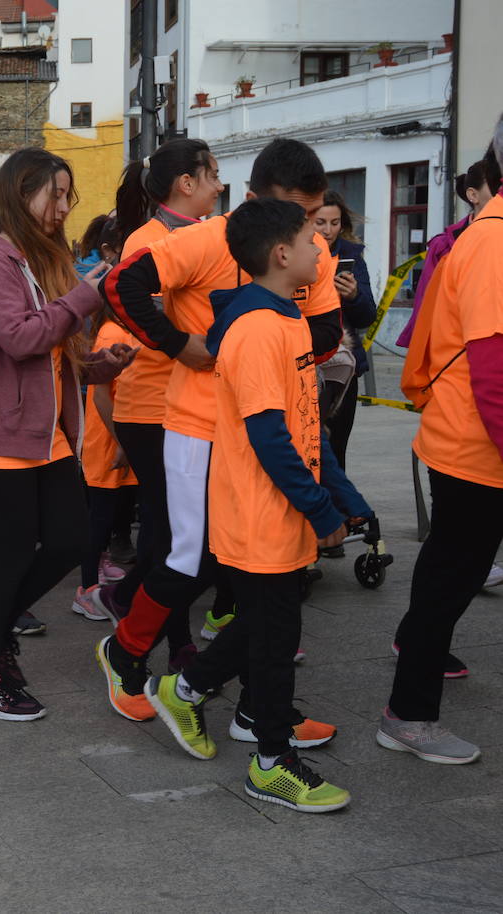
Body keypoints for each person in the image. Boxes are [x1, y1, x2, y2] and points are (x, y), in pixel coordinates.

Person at [95, 138, 344, 723]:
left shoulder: (315, 253)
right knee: (194, 559)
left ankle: (262, 711)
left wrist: (271, 352)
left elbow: (329, 330)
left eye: (314, 216)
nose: (310, 230)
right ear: (254, 199)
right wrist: (185, 346)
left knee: (272, 576)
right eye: (298, 214)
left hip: (277, 433)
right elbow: (119, 287)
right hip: (199, 427)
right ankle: (125, 652)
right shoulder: (205, 240)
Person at [145, 197, 368, 812]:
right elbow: (270, 437)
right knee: (276, 635)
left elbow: (306, 425)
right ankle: (272, 761)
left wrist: (340, 497)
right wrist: (322, 511)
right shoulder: (255, 329)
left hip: (285, 507)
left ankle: (187, 687)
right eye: (308, 238)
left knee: (271, 620)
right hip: (259, 509)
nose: (320, 247)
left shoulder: (287, 319)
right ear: (280, 255)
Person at [0, 148, 134, 721]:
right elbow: (20, 337)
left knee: (70, 541)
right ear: (19, 191)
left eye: (66, 195)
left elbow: (53, 348)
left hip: (43, 431)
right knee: (9, 555)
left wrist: (100, 365)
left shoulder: (38, 255)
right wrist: (86, 296)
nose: (62, 206)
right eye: (53, 193)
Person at [386, 128, 503, 766]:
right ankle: (409, 713)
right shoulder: (492, 238)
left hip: (479, 441)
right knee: (448, 575)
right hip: (474, 443)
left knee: (453, 574)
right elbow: (491, 366)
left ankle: (413, 676)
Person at [89, 139, 225, 666]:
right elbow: (131, 306)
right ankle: (173, 641)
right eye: (211, 174)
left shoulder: (211, 233)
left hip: (192, 402)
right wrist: (181, 345)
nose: (218, 183)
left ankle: (126, 602)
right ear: (185, 183)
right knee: (177, 534)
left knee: (180, 532)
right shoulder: (148, 239)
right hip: (151, 404)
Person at [73, 314, 140, 619]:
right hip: (108, 442)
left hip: (124, 439)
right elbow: (101, 395)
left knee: (114, 511)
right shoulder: (111, 333)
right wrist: (122, 441)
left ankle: (101, 562)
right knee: (98, 517)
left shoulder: (130, 329)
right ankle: (85, 590)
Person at [310, 190, 377, 478]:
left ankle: (341, 513)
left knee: (336, 447)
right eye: (321, 222)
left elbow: (367, 316)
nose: (328, 231)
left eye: (335, 223)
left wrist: (353, 295)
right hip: (308, 361)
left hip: (344, 365)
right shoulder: (299, 251)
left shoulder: (351, 256)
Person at [397, 158, 497, 348]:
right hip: (455, 351)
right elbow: (426, 307)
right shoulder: (444, 247)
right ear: (473, 195)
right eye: (494, 187)